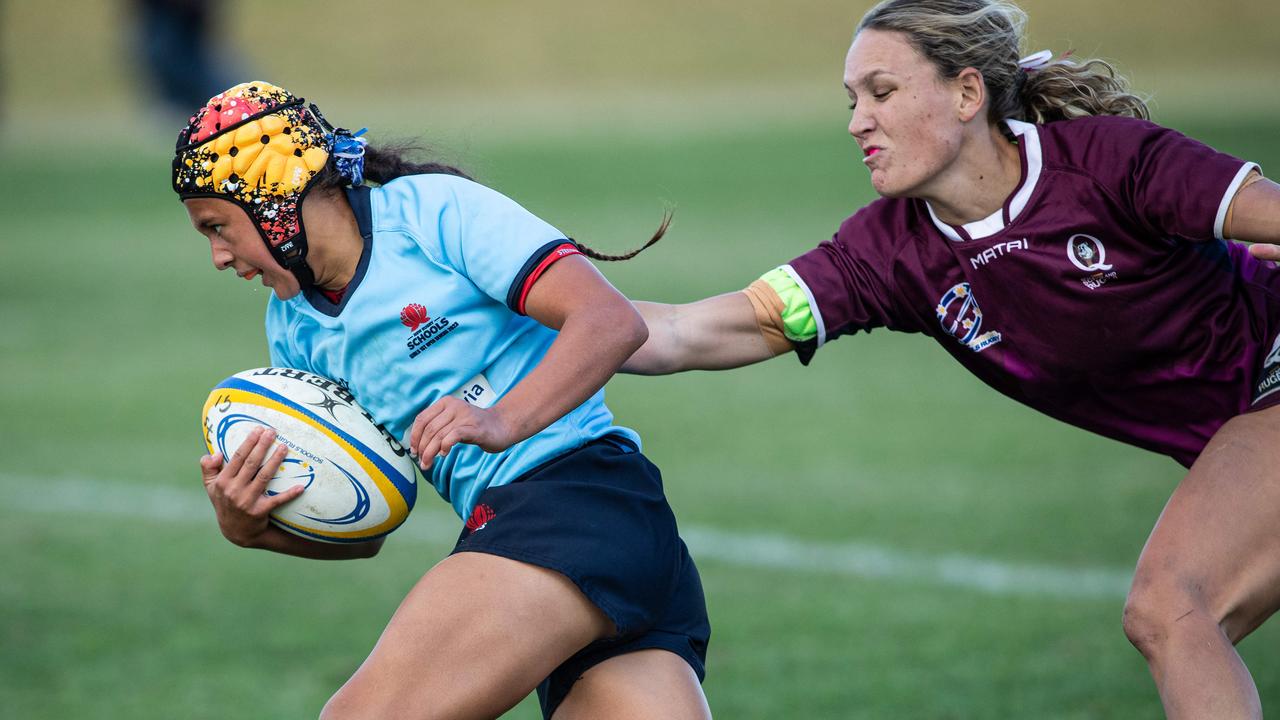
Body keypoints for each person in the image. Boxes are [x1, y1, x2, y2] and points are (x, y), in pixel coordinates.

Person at [621, 1, 1280, 717]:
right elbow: (690, 331)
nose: (856, 123)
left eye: (883, 92)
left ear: (967, 94)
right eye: (851, 101)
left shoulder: (1107, 163)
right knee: (1177, 614)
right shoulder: (890, 253)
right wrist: (555, 312)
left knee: (1171, 607)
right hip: (1237, 439)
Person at [172, 81, 711, 720]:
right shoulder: (294, 327)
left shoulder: (431, 213)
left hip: (574, 502)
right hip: (591, 545)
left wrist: (503, 418)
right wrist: (253, 527)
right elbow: (365, 525)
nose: (217, 256)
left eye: (218, 226)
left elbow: (610, 321)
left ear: (273, 202)